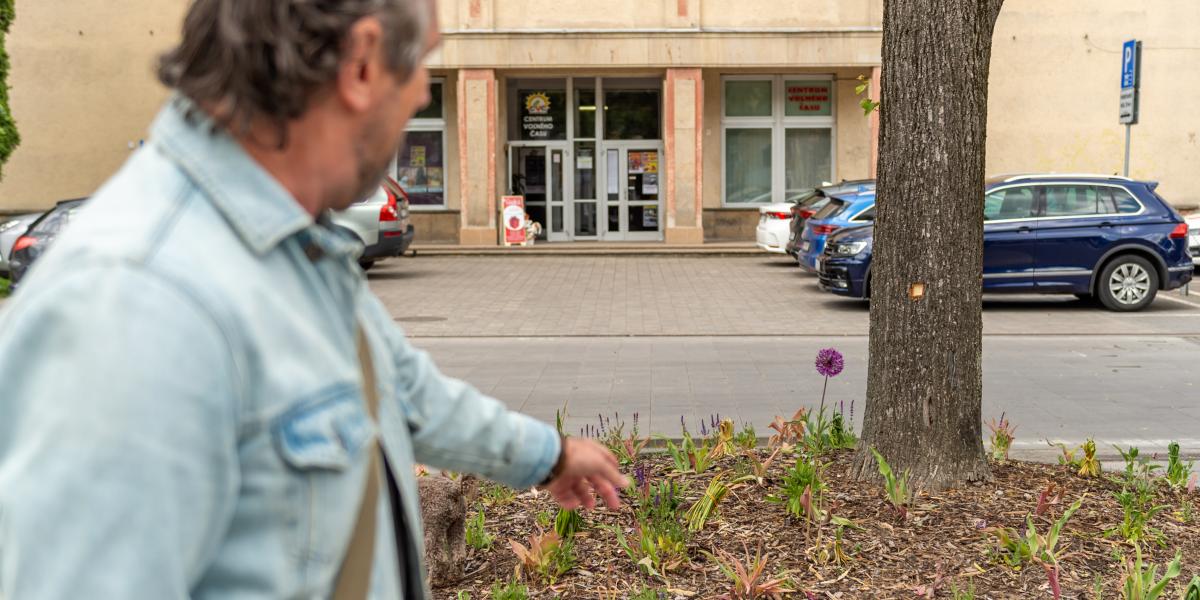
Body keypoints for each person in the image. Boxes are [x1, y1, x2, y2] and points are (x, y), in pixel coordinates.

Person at [0, 0, 627, 598]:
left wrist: (549, 456)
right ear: (360, 66)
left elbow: (404, 395)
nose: (420, 96)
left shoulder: (291, 247)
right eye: (420, 67)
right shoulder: (136, 304)